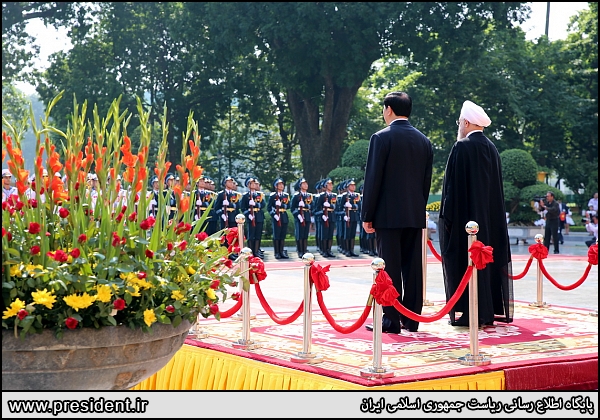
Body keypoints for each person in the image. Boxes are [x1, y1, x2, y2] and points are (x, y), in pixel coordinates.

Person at [361, 91, 433, 333]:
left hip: (388, 215)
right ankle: (412, 319)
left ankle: (391, 320)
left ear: (388, 109)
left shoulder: (381, 138)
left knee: (389, 268)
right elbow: (426, 182)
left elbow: (373, 180)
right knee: (413, 268)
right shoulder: (424, 141)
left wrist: (367, 215)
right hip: (414, 213)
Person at [439, 100, 513, 328]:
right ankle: (486, 311)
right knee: (486, 265)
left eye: (460, 122)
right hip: (489, 224)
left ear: (466, 122)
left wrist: (446, 219)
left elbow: (452, 190)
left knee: (465, 264)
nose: (458, 126)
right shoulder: (492, 148)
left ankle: (471, 312)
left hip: (466, 222)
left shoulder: (461, 147)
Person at [240, 176, 266, 258]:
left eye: (255, 183)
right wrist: (248, 214)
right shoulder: (245, 195)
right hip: (251, 217)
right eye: (252, 183)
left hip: (259, 216)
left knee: (258, 235)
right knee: (251, 235)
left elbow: (263, 204)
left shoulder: (260, 194)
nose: (254, 185)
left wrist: (256, 204)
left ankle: (256, 251)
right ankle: (251, 251)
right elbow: (242, 207)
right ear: (248, 185)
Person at [314, 178, 338, 258]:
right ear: (325, 185)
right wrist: (322, 214)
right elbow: (316, 209)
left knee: (330, 234)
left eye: (332, 184)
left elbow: (336, 207)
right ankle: (324, 250)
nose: (331, 186)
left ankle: (329, 250)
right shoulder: (321, 196)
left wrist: (330, 206)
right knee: (324, 234)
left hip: (331, 216)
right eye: (329, 184)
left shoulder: (334, 195)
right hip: (324, 217)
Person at [267, 177, 290, 259]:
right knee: (276, 235)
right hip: (277, 217)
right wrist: (274, 214)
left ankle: (281, 251)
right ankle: (276, 252)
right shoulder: (273, 196)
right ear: (276, 186)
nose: (281, 186)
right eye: (279, 184)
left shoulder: (286, 195)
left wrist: (282, 205)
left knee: (282, 235)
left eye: (282, 184)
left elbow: (288, 206)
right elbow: (269, 208)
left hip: (284, 216)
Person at [290, 177, 312, 258]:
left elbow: (312, 206)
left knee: (305, 234)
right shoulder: (296, 195)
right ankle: (300, 250)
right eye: (303, 184)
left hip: (306, 215)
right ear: (300, 185)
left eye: (306, 184)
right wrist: (298, 215)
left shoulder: (309, 195)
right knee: (299, 234)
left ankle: (304, 249)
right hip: (299, 216)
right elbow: (292, 208)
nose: (306, 185)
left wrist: (306, 205)